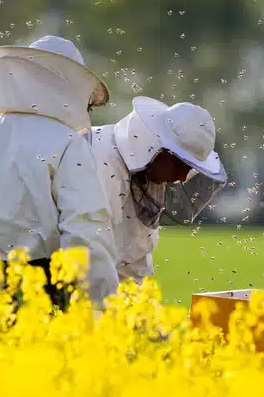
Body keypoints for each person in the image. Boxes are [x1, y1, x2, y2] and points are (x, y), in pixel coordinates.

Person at [0, 35, 120, 311]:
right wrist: (98, 311)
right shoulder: (68, 143)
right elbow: (86, 231)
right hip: (47, 294)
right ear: (70, 88)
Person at [86, 96, 227, 283]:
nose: (183, 178)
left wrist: (147, 306)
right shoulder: (99, 160)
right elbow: (89, 258)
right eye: (181, 165)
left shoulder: (149, 177)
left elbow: (135, 261)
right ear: (160, 149)